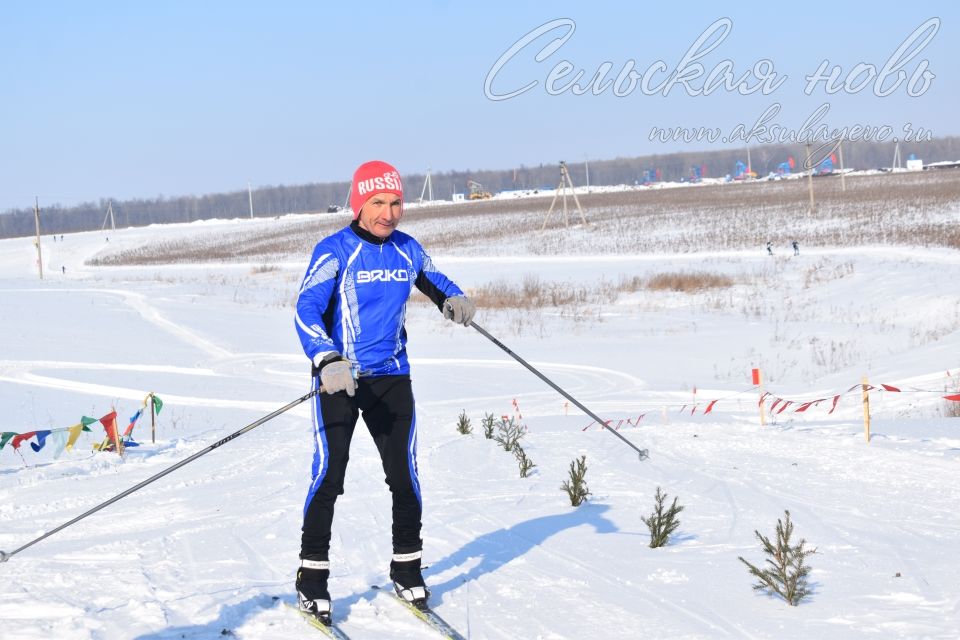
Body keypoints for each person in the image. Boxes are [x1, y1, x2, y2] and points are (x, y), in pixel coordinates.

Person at [293, 160, 475, 624]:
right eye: (378, 203)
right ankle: (311, 580)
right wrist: (326, 358)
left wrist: (453, 299)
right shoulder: (335, 250)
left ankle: (406, 567)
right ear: (359, 204)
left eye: (396, 203)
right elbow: (307, 307)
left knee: (404, 475)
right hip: (341, 378)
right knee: (330, 475)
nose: (389, 213)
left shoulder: (407, 250)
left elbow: (436, 282)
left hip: (392, 377)